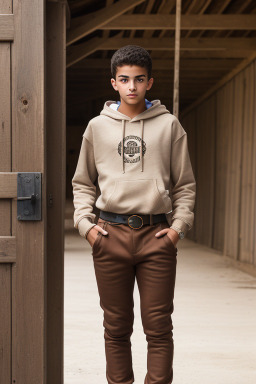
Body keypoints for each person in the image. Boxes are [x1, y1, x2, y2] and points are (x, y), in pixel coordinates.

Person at [72, 45, 196, 384]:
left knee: (158, 328)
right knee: (115, 328)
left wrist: (178, 229)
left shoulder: (170, 126)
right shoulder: (97, 127)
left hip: (157, 236)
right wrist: (86, 226)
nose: (131, 87)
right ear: (113, 83)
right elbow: (82, 182)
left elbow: (185, 184)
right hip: (109, 235)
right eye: (124, 80)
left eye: (139, 80)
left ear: (149, 82)